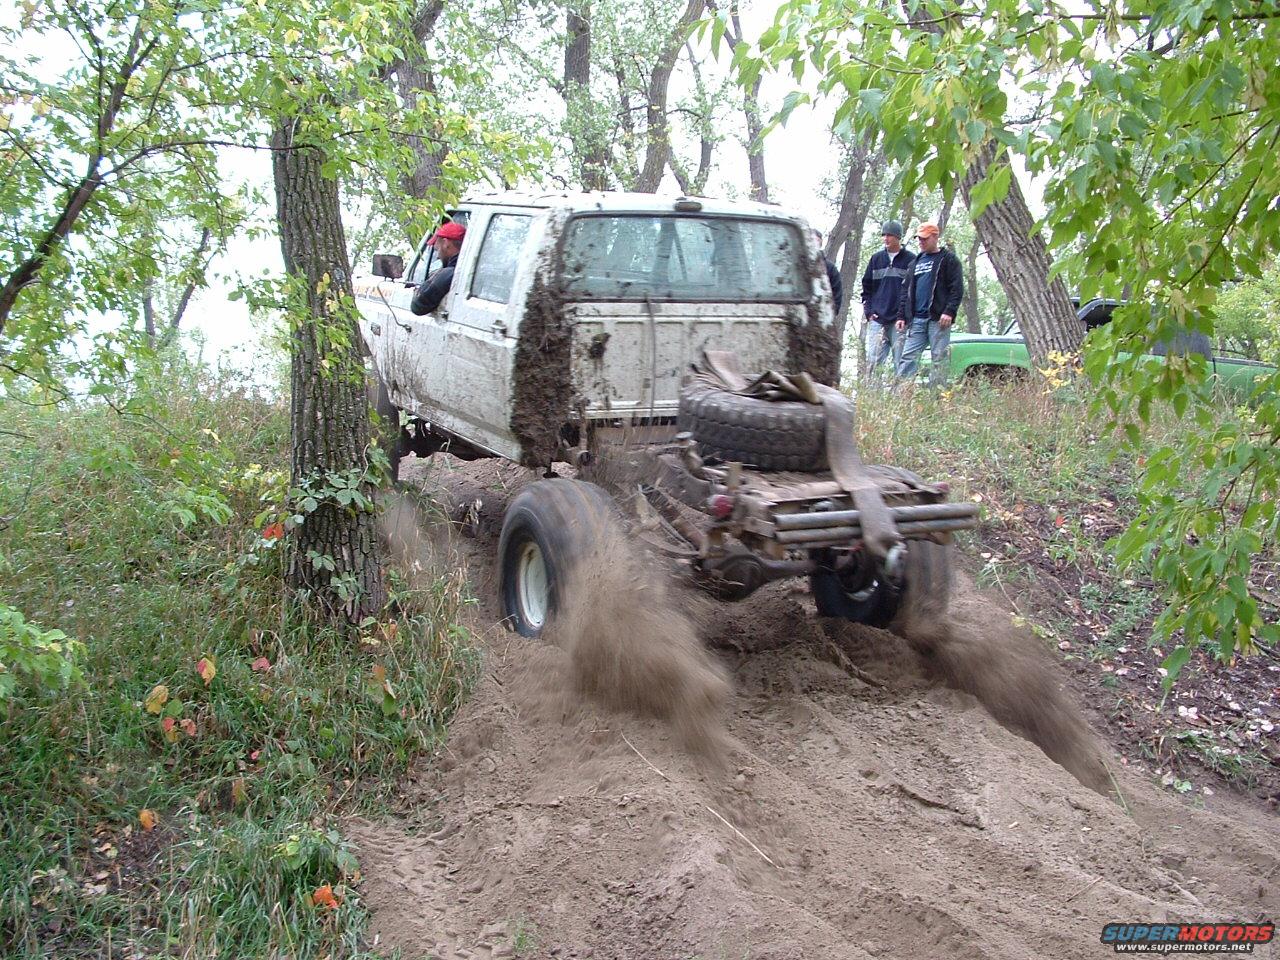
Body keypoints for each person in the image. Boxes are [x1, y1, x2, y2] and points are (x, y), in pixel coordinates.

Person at [895, 221, 963, 387]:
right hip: (916, 320)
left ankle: (938, 395)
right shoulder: (914, 263)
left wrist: (949, 311)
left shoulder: (948, 259)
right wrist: (901, 315)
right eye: (919, 239)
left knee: (939, 358)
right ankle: (902, 394)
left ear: (935, 237)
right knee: (908, 357)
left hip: (938, 319)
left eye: (925, 238)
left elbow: (957, 288)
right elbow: (905, 291)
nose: (921, 242)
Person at [859, 220, 915, 376]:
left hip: (900, 321)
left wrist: (905, 315)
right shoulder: (876, 259)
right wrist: (869, 312)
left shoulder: (911, 260)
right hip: (878, 320)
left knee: (901, 362)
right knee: (874, 362)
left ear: (898, 237)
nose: (886, 238)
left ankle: (902, 391)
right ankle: (872, 391)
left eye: (889, 235)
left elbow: (913, 292)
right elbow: (866, 288)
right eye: (884, 235)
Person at [410, 220, 466, 316]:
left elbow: (417, 306)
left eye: (437, 250)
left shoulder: (450, 273)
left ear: (445, 243)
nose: (438, 257)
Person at [813, 229, 843, 312]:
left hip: (822, 313)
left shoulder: (830, 269)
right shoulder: (796, 266)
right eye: (809, 240)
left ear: (820, 243)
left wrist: (831, 313)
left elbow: (837, 296)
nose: (812, 244)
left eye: (815, 240)